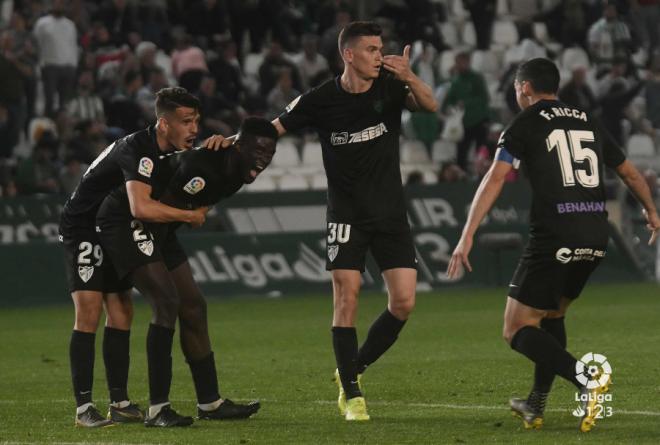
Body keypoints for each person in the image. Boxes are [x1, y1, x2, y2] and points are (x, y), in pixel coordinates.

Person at [446, 58, 660, 432]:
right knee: (553, 316)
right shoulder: (586, 118)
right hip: (596, 232)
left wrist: (467, 234)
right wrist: (652, 211)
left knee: (515, 329)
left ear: (525, 88)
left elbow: (495, 180)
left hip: (555, 233)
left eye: (516, 90)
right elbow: (628, 171)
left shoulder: (523, 124)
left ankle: (585, 379)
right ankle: (536, 403)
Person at [270, 21, 438, 421]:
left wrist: (409, 74)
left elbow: (430, 105)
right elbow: (273, 129)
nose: (379, 56)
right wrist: (236, 144)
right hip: (346, 215)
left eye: (381, 49)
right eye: (371, 50)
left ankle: (352, 367)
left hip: (391, 213)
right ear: (348, 54)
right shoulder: (320, 99)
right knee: (346, 299)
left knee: (404, 302)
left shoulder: (391, 87)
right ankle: (353, 395)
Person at [95, 118, 273, 424]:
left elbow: (195, 207)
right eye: (257, 151)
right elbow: (153, 206)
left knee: (193, 306)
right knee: (166, 302)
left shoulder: (238, 173)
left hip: (164, 228)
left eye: (269, 154)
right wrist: (191, 215)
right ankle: (157, 409)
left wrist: (193, 214)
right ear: (238, 145)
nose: (263, 160)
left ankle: (210, 403)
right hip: (128, 222)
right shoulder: (201, 164)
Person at [58, 87, 208, 427]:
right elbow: (141, 206)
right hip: (83, 225)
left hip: (112, 228)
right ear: (163, 124)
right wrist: (188, 216)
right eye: (186, 121)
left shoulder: (168, 151)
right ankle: (83, 410)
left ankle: (120, 402)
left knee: (123, 310)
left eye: (196, 121)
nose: (194, 129)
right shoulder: (136, 149)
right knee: (89, 311)